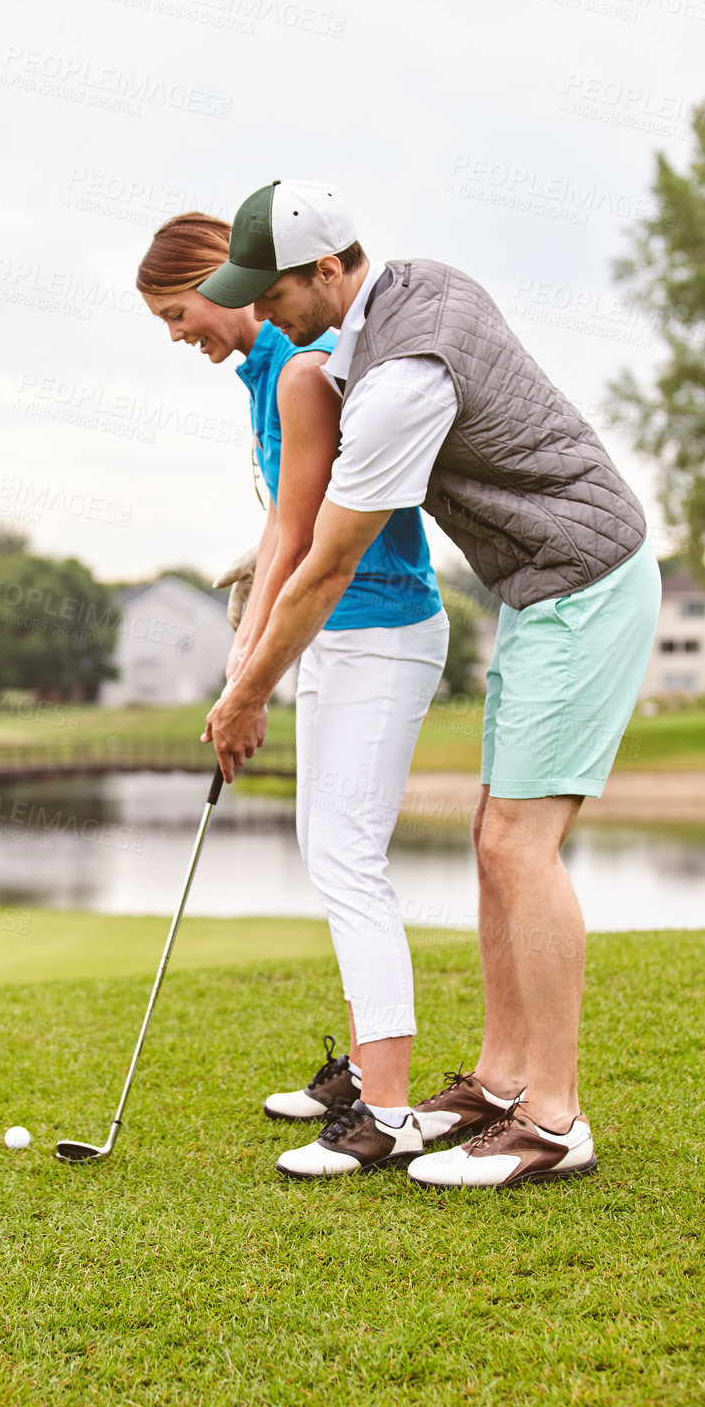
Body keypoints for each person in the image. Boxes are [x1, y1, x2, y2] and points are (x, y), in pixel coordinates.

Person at [201, 179, 662, 1189]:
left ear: (327, 270)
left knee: (515, 843)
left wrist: (243, 697)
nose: (261, 313)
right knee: (491, 836)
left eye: (270, 292)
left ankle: (551, 1119)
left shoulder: (403, 374)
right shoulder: (415, 291)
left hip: (584, 584)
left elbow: (327, 567)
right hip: (544, 593)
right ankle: (498, 1084)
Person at [136, 205, 449, 1178]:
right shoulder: (267, 374)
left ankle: (387, 1111)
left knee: (347, 855)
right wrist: (246, 653)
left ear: (213, 278)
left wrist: (249, 680)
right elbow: (277, 525)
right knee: (327, 846)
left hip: (379, 626)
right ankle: (363, 1073)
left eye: (177, 313)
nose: (179, 336)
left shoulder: (304, 372)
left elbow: (307, 541)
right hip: (339, 635)